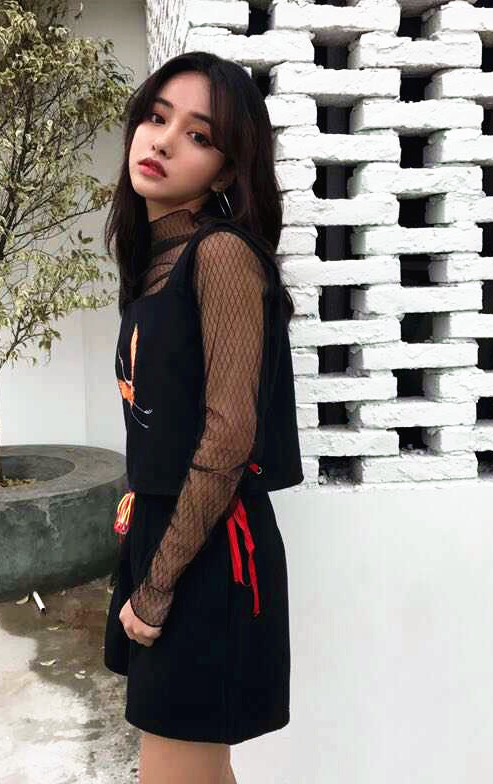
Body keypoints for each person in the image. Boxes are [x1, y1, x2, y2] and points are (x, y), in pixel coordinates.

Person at [102, 50, 304, 784]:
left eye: (197, 134)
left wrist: (158, 587)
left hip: (211, 553)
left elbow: (228, 438)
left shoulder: (219, 256)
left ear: (224, 172)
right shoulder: (154, 261)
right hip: (168, 534)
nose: (161, 141)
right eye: (157, 118)